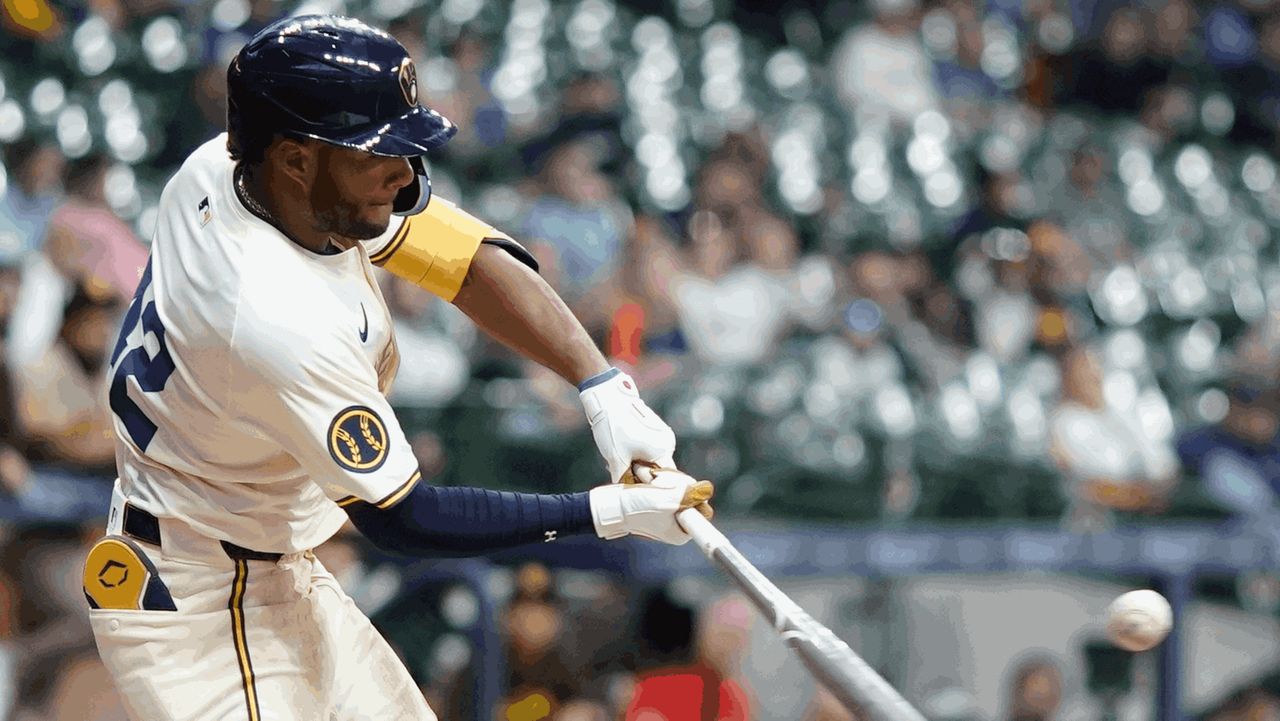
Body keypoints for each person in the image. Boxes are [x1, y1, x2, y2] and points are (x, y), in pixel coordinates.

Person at [83, 15, 712, 721]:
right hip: (198, 602)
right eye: (376, 152)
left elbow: (462, 260)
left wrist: (603, 386)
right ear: (294, 158)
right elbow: (403, 517)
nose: (406, 175)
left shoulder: (236, 167)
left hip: (267, 564)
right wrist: (604, 512)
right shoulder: (268, 314)